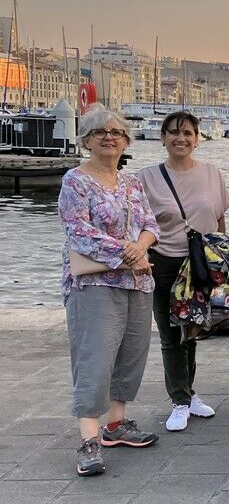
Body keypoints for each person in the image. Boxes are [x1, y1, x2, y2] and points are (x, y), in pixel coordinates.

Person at [60, 106, 161, 476]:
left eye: (117, 132)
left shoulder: (132, 182)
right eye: (99, 131)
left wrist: (140, 246)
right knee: (94, 360)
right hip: (95, 283)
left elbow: (151, 224)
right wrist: (126, 251)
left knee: (131, 355)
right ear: (86, 140)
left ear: (126, 141)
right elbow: (78, 231)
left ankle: (116, 425)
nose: (109, 136)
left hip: (137, 279)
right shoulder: (75, 181)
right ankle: (88, 439)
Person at [139, 111, 229, 433]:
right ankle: (180, 401)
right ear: (163, 138)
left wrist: (227, 256)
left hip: (201, 263)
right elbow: (139, 223)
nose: (180, 139)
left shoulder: (212, 174)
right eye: (173, 133)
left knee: (193, 329)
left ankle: (189, 392)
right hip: (165, 262)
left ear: (197, 138)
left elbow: (220, 220)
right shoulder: (147, 177)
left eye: (187, 133)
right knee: (172, 335)